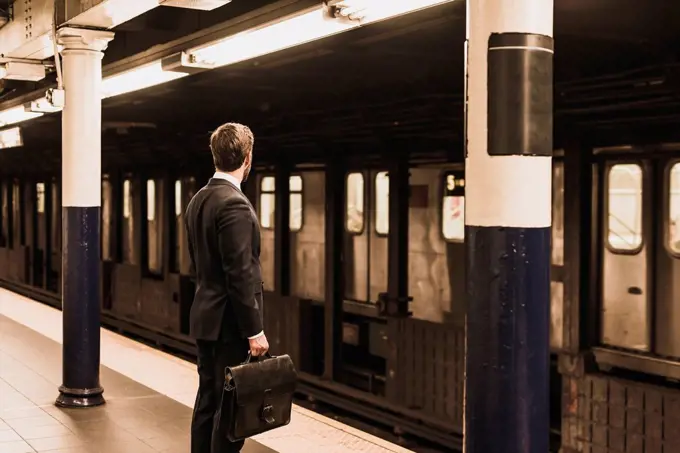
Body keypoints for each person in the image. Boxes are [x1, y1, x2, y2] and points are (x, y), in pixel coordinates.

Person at [185, 122, 270, 453]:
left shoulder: (199, 200)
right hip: (228, 326)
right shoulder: (233, 203)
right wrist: (254, 330)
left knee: (207, 401)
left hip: (206, 319)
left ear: (215, 155)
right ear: (247, 158)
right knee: (230, 411)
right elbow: (239, 273)